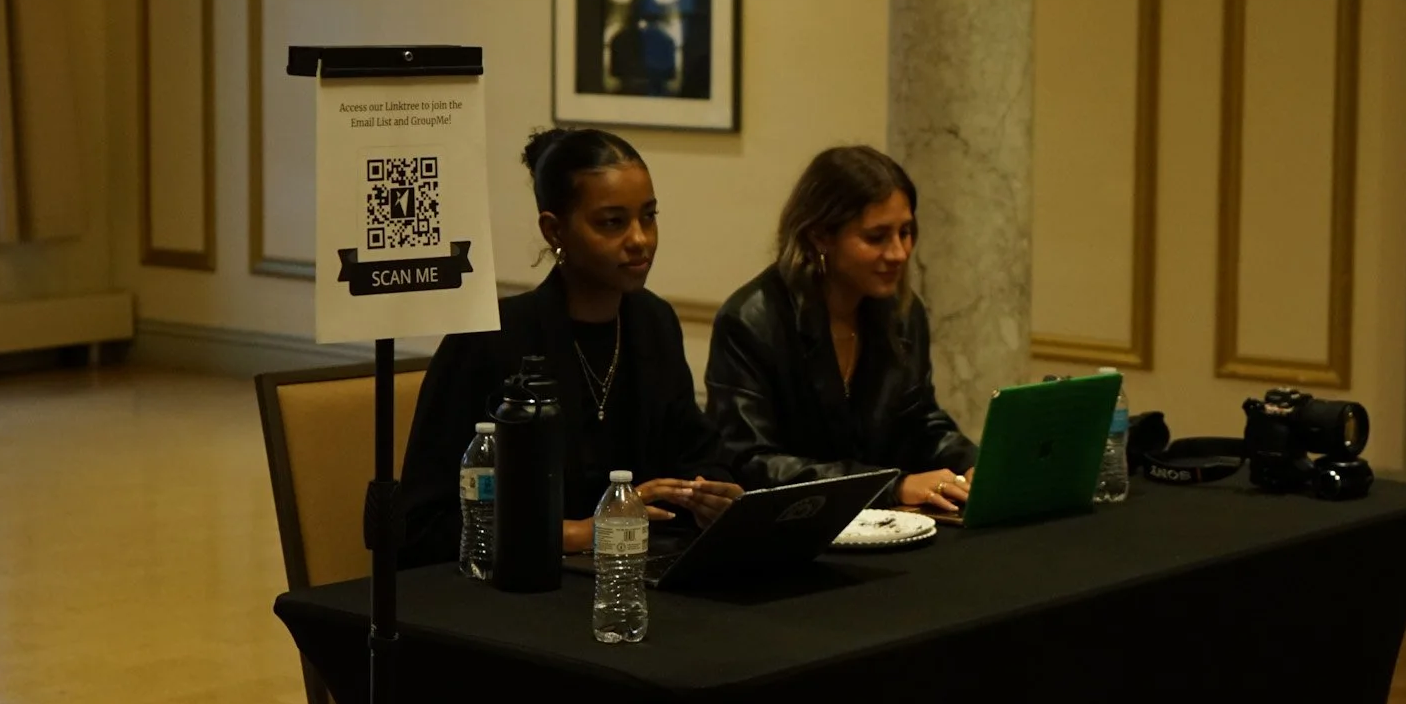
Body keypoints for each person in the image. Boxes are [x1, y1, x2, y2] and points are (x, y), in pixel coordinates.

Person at [395, 127, 742, 567]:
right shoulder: (489, 340)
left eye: (649, 216)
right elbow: (424, 524)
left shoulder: (653, 323)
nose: (640, 239)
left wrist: (710, 496)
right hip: (516, 592)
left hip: (629, 577)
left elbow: (699, 456)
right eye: (612, 222)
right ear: (554, 229)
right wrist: (573, 533)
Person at [706, 145, 977, 513]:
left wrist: (972, 465)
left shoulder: (903, 313)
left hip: (885, 527)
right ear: (821, 236)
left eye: (906, 232)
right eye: (877, 237)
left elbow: (920, 422)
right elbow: (751, 463)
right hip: (789, 535)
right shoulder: (752, 321)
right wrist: (891, 486)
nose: (899, 252)